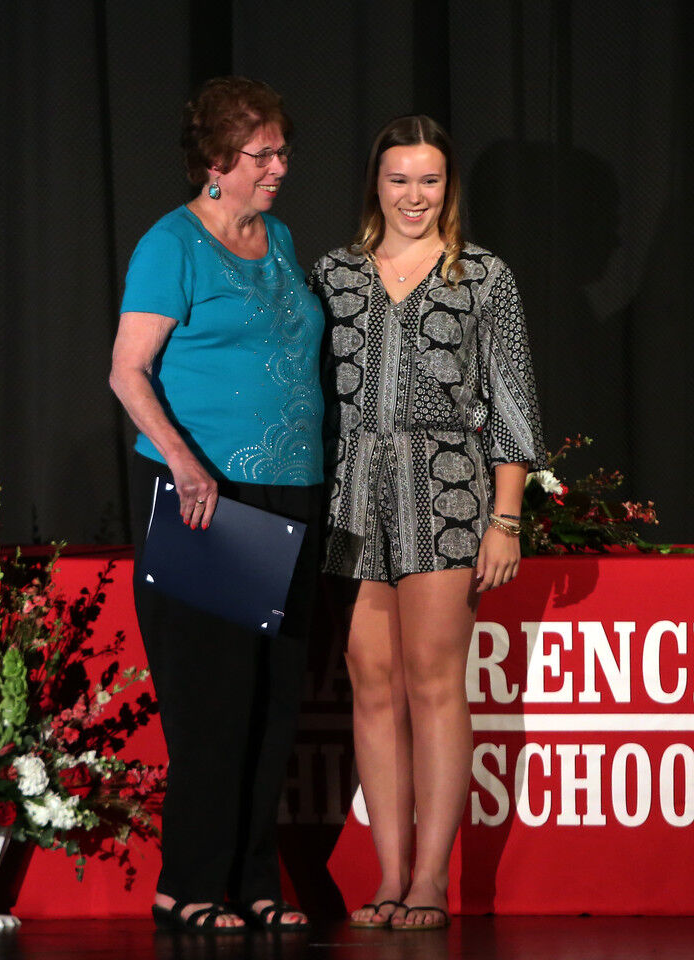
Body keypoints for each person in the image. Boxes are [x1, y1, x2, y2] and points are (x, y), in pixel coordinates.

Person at [309, 115, 546, 930]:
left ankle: (431, 879)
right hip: (348, 495)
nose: (414, 196)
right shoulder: (333, 273)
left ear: (450, 187)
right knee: (372, 684)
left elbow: (512, 402)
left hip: (446, 490)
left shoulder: (484, 276)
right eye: (399, 179)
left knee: (435, 681)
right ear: (375, 184)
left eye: (430, 180)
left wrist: (505, 518)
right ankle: (389, 874)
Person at [110, 76, 323, 932]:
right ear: (215, 161)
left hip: (292, 488)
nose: (280, 167)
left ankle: (255, 879)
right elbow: (128, 370)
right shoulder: (173, 244)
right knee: (214, 699)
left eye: (282, 151)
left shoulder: (280, 238)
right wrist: (184, 462)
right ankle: (189, 884)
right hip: (210, 494)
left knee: (275, 697)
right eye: (262, 155)